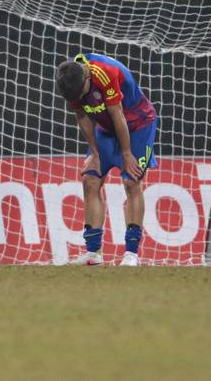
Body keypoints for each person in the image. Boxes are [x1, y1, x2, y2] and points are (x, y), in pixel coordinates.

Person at [55, 53, 158, 266]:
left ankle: (131, 254)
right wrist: (94, 152)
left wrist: (126, 154)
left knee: (131, 182)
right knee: (90, 180)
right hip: (107, 129)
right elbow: (82, 116)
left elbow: (118, 115)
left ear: (87, 78)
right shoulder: (70, 80)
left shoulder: (105, 73)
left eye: (81, 93)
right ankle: (93, 253)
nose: (78, 98)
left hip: (137, 125)